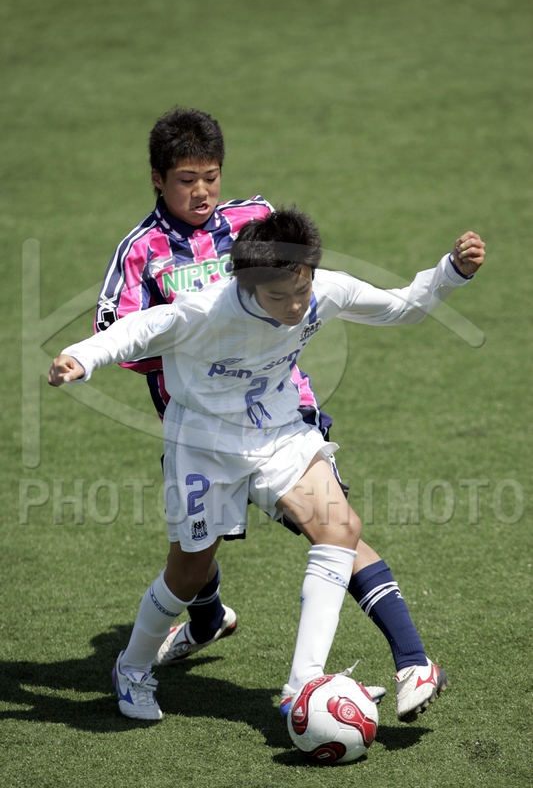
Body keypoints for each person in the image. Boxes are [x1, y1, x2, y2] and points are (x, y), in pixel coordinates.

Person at [94, 106, 470, 724]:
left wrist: (446, 275)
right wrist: (206, 350)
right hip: (201, 432)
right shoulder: (143, 253)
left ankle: (384, 667)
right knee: (191, 565)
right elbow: (122, 334)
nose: (202, 191)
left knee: (337, 528)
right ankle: (165, 644)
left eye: (211, 176)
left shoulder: (255, 221)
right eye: (187, 179)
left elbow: (331, 292)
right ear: (158, 179)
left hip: (281, 417)